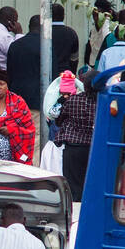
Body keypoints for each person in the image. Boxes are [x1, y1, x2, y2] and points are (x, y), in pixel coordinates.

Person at [52, 71, 98, 201]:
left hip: (73, 148)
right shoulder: (105, 102)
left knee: (73, 187)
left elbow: (59, 120)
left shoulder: (73, 100)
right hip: (96, 148)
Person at [0, 70, 36, 165]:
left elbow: (29, 130)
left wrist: (11, 130)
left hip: (14, 158)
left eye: (2, 84)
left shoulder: (18, 102)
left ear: (7, 86)